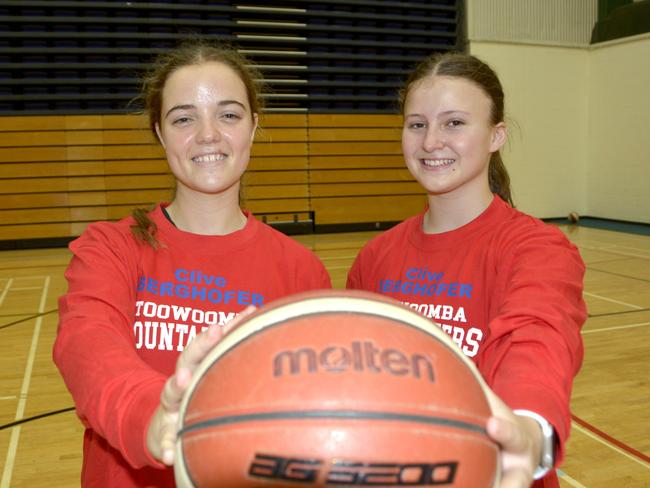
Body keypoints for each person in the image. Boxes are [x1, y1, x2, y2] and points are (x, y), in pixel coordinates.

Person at [53, 39, 331, 487]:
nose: (208, 135)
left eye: (228, 114)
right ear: (160, 132)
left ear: (253, 126)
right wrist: (154, 414)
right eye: (184, 118)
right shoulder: (110, 248)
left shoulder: (302, 272)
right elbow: (87, 347)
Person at [347, 52, 586, 488]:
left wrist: (525, 426)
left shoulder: (537, 248)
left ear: (496, 136)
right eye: (417, 124)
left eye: (454, 123)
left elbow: (538, 335)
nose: (431, 141)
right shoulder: (375, 257)